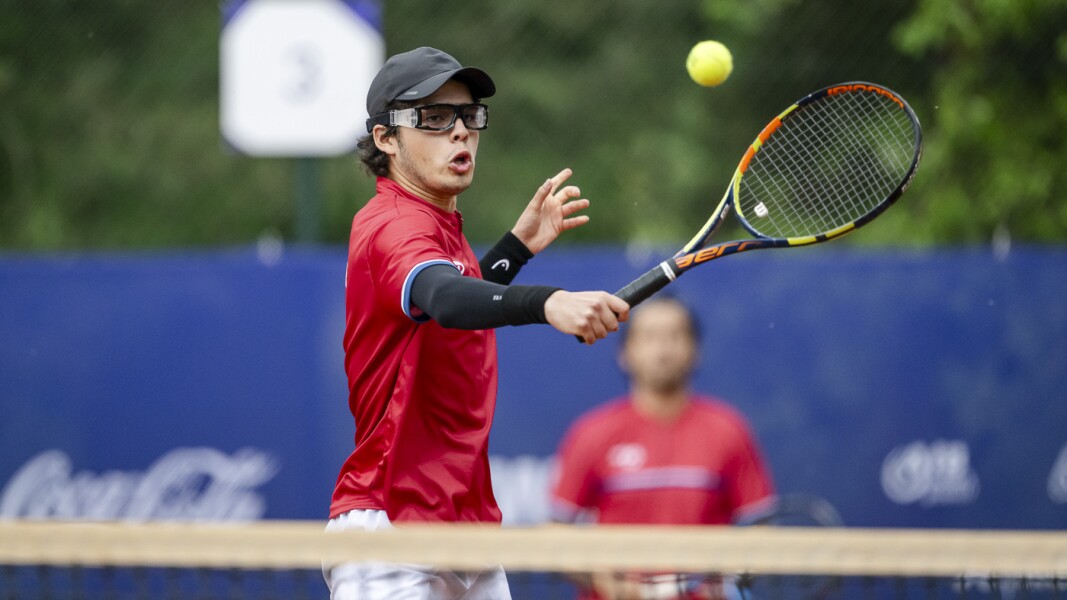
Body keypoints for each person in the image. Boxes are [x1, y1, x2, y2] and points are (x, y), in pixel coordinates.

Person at [324, 46, 630, 600]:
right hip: (392, 525)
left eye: (468, 116)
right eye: (435, 118)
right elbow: (444, 298)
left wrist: (515, 250)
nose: (460, 132)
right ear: (386, 138)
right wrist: (548, 302)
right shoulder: (393, 223)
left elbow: (444, 319)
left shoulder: (437, 225)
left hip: (461, 525)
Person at [551, 297, 776, 600]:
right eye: (650, 337)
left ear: (695, 350)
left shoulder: (729, 431)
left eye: (674, 336)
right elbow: (555, 534)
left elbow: (761, 534)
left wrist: (729, 574)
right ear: (625, 353)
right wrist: (600, 575)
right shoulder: (591, 434)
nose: (663, 349)